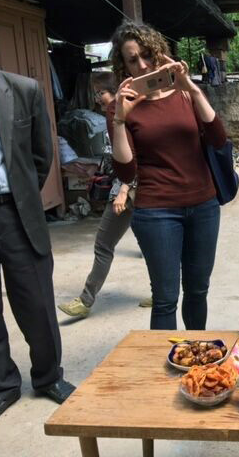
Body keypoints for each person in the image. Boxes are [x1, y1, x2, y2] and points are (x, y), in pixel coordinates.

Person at [107, 21, 227, 330]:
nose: (144, 65)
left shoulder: (184, 93)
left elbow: (218, 138)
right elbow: (126, 170)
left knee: (198, 291)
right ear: (124, 65)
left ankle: (199, 361)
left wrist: (191, 88)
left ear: (160, 52)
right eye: (133, 60)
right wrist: (120, 119)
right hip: (156, 211)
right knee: (165, 298)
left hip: (204, 205)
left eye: (147, 54)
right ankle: (161, 375)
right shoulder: (123, 105)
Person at [0, 26, 75, 424]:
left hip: (15, 210)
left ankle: (48, 377)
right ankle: (2, 384)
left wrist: (21, 195)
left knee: (36, 300)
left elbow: (42, 155)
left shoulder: (22, 90)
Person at [57, 72, 146, 318]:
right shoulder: (108, 119)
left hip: (130, 193)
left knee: (104, 245)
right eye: (96, 93)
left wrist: (123, 191)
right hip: (125, 190)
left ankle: (86, 300)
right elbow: (113, 159)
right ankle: (161, 290)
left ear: (116, 91)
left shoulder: (125, 117)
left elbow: (134, 159)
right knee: (149, 244)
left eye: (101, 92)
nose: (98, 98)